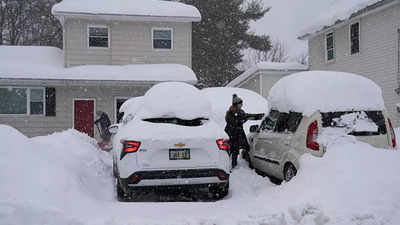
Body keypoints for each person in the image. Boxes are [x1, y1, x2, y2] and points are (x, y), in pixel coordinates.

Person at [225, 94, 264, 169]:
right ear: (236, 104)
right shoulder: (230, 112)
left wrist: (260, 116)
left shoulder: (240, 112)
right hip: (231, 134)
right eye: (240, 103)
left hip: (238, 133)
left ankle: (245, 163)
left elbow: (248, 116)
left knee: (245, 147)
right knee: (234, 150)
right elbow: (233, 122)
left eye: (241, 103)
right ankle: (233, 165)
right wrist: (241, 120)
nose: (242, 105)